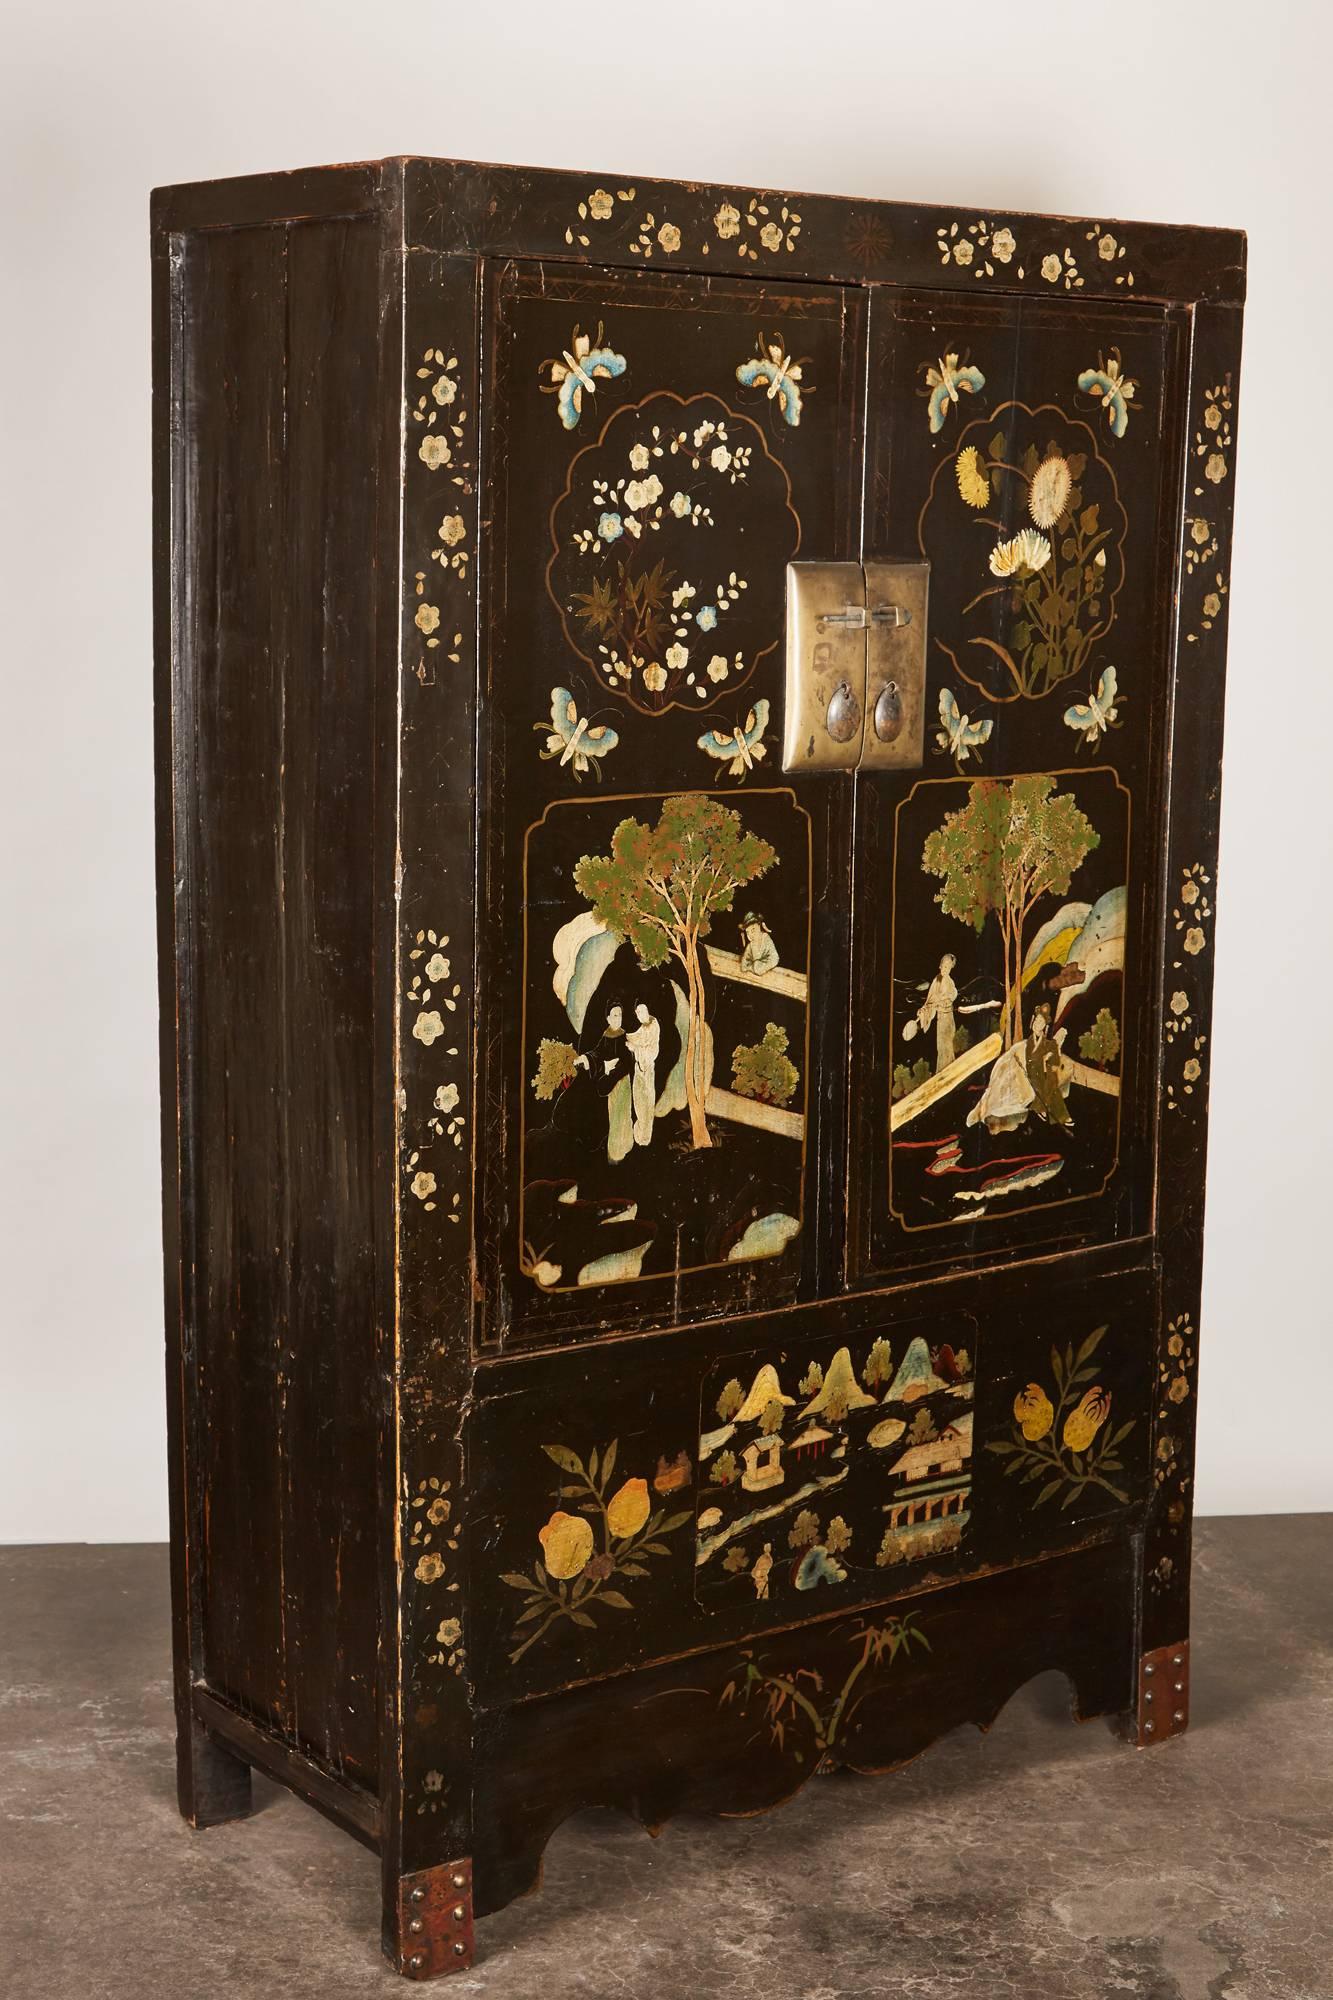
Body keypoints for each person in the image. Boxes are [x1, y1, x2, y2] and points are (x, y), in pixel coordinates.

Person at [575, 1004, 633, 1162]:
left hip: (621, 1081)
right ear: (608, 1018)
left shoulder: (624, 1036)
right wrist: (586, 1058)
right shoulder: (606, 1035)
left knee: (622, 1114)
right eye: (614, 1015)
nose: (618, 1018)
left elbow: (627, 1062)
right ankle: (615, 1149)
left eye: (620, 1014)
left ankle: (623, 1147)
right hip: (610, 1083)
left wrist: (613, 1073)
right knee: (613, 1113)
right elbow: (598, 1053)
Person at [1024, 1002, 1073, 1127]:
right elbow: (1031, 1059)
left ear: (1045, 1026)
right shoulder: (1029, 1041)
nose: (1037, 1024)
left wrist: (1050, 1057)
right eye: (1036, 1021)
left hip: (1043, 1071)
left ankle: (1058, 1114)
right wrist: (1042, 1058)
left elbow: (1054, 1060)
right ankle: (1044, 1109)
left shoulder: (1047, 1043)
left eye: (1041, 1022)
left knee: (1052, 1080)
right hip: (1032, 1071)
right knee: (1042, 1082)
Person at [625, 1001, 661, 1148]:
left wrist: (635, 1049)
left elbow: (652, 1051)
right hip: (639, 1069)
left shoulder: (653, 1026)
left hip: (647, 1070)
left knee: (645, 1103)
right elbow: (634, 1037)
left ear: (647, 1011)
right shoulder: (643, 1029)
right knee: (638, 1101)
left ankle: (644, 1136)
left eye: (642, 1011)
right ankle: (640, 1134)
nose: (640, 1015)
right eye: (638, 1013)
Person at [917, 953, 958, 1072]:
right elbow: (930, 1000)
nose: (945, 969)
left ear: (951, 968)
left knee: (948, 1046)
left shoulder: (951, 983)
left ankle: (950, 1073)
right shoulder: (936, 981)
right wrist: (923, 1010)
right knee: (941, 1047)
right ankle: (941, 1073)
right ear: (940, 966)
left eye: (948, 967)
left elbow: (950, 997)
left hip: (948, 1018)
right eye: (943, 966)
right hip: (941, 1018)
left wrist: (942, 1001)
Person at [739, 912, 779, 978]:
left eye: (753, 930)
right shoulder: (750, 945)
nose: (750, 935)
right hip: (753, 977)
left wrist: (761, 967)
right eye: (747, 932)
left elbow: (775, 958)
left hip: (770, 975)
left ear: (759, 925)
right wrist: (753, 968)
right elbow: (744, 965)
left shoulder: (766, 939)